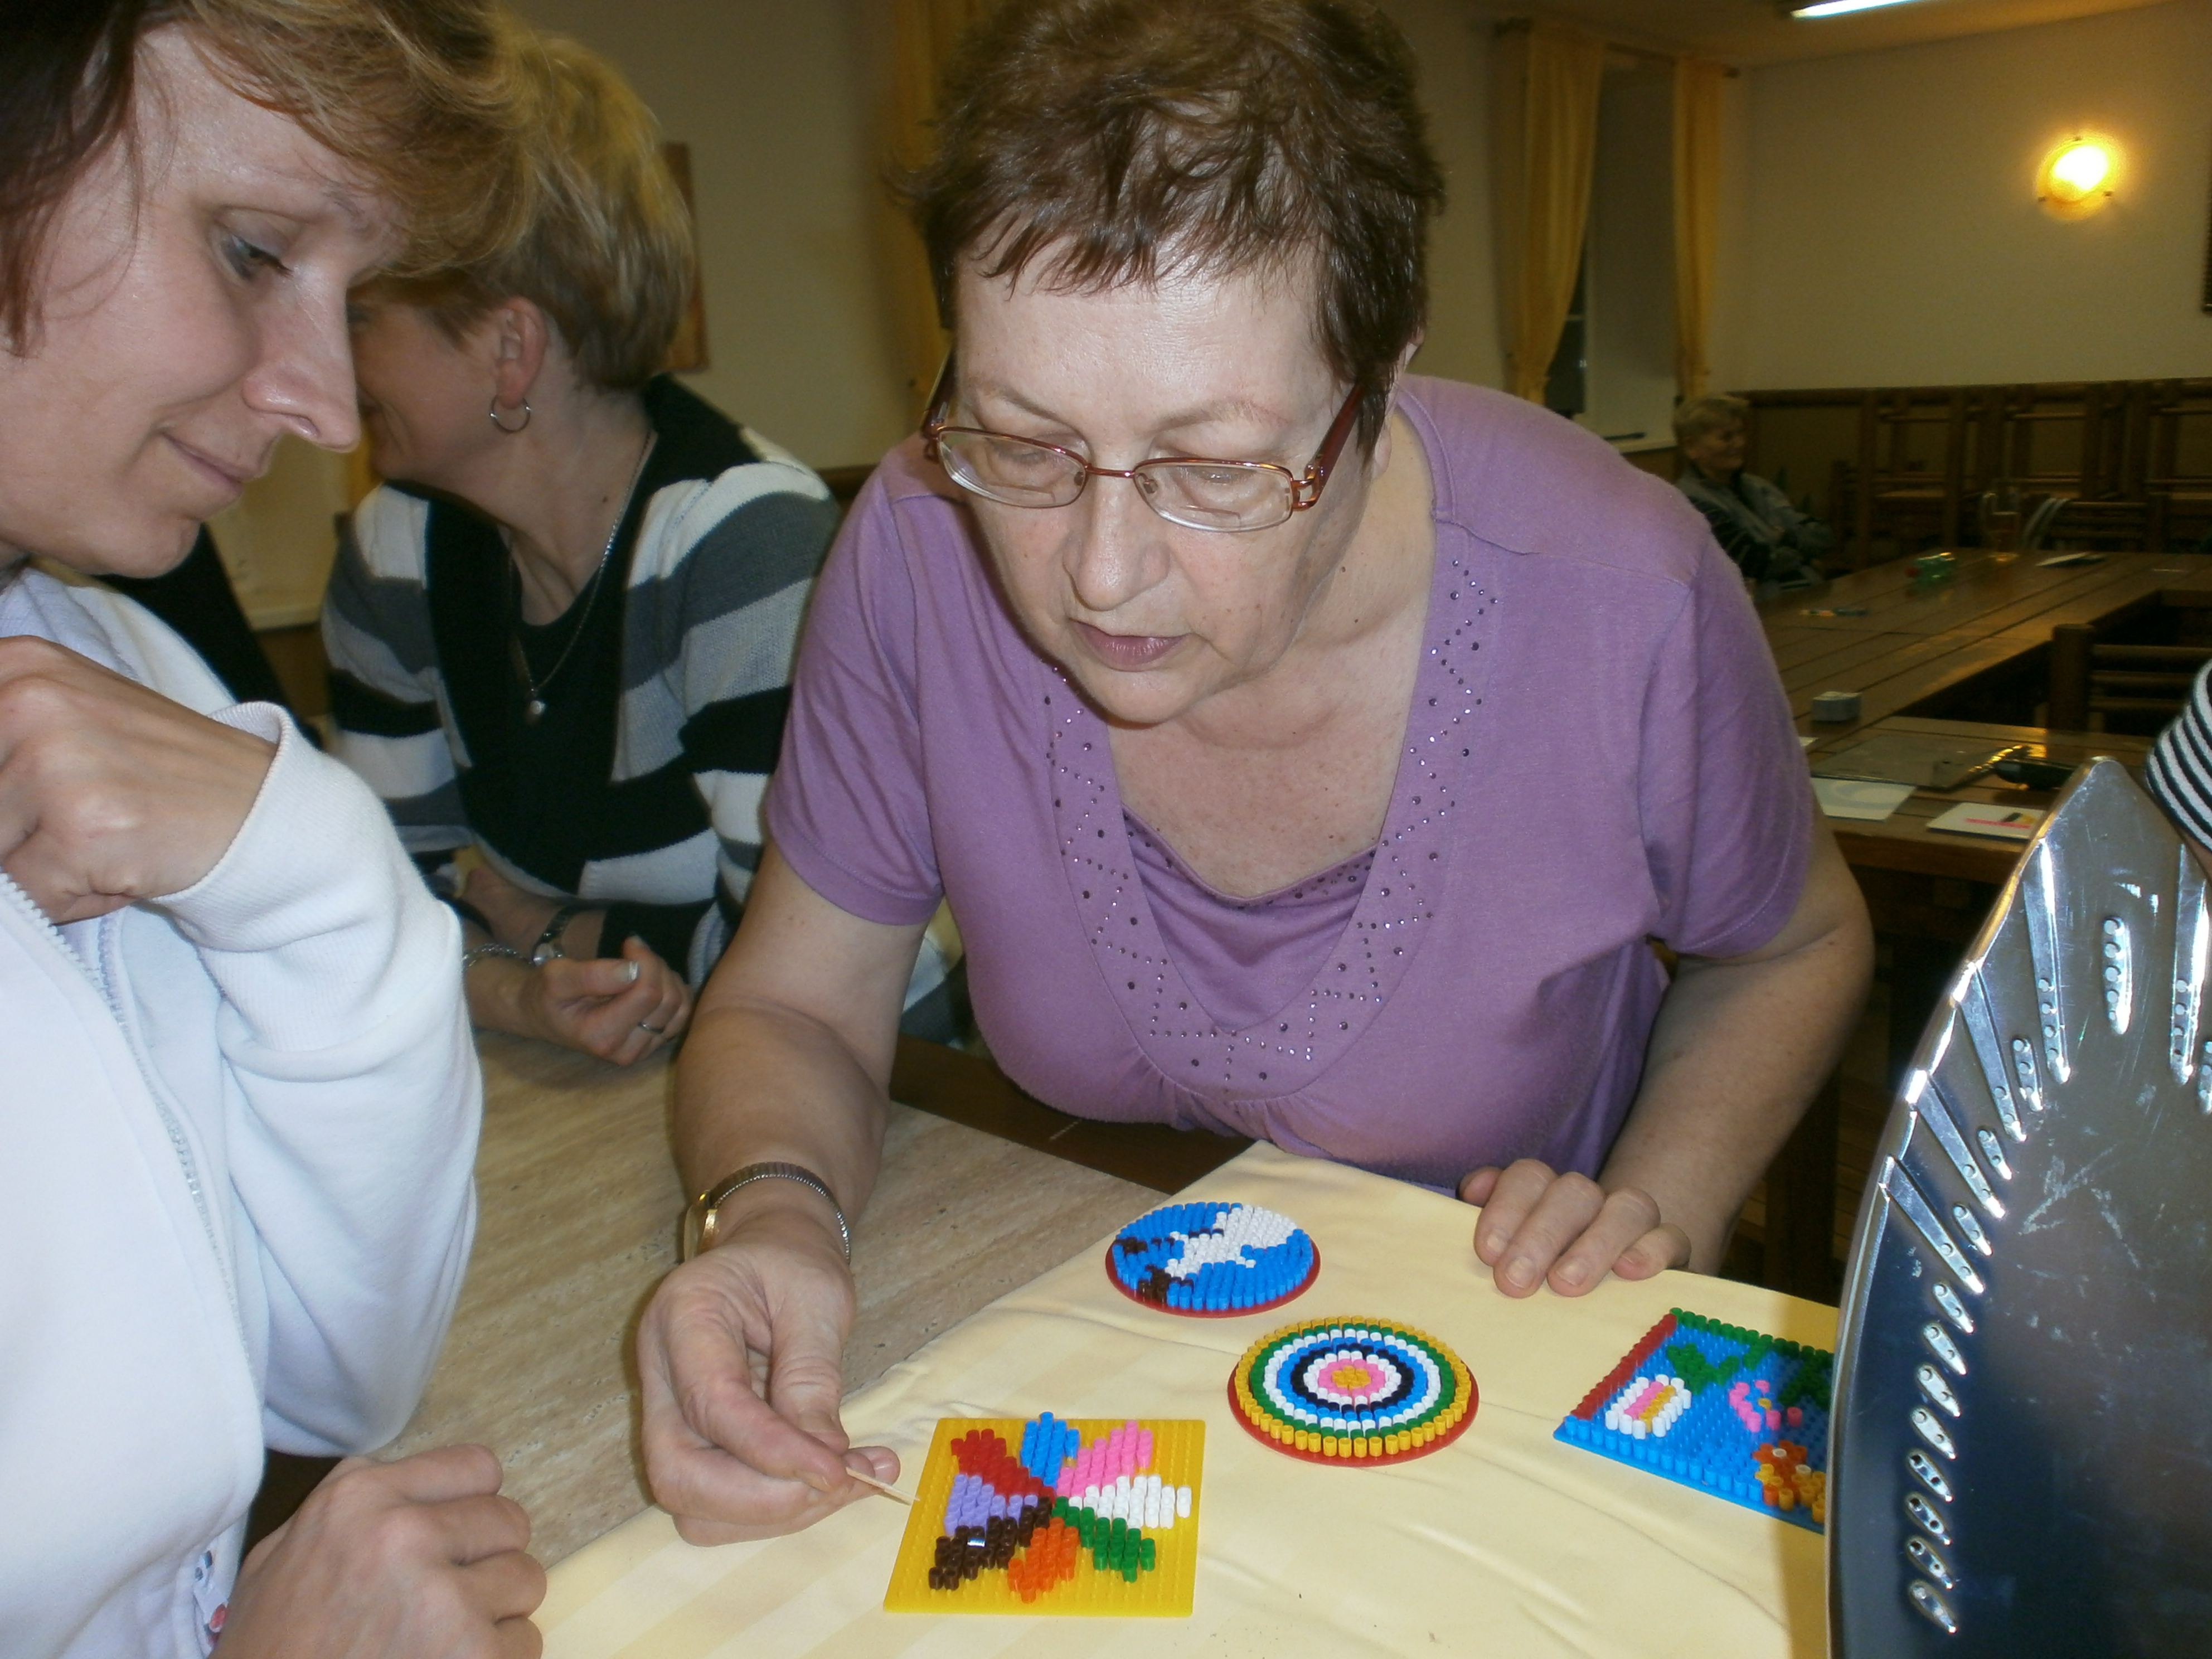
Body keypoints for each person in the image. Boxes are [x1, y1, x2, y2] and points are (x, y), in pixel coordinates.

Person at [633, 0, 1872, 1540]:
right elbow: (796, 999)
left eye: (1214, 468)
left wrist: (1651, 1202)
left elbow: (1794, 941)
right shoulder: (912, 542)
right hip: (1102, 1333)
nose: (1095, 575)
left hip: (1466, 1388)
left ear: (1386, 371)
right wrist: (771, 1215)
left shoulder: (1624, 593)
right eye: (1021, 440)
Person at [0, 2, 547, 1653]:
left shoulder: (123, 658)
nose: (324, 400)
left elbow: (333, 1368)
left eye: (349, 296)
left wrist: (310, 865)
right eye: (249, 249)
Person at [326, 35, 950, 1066]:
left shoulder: (746, 552)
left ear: (509, 350)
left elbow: (807, 985)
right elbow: (378, 912)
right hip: (594, 1076)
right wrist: (518, 989)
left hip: (893, 1092)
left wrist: (525, 920)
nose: (320, 360)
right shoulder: (394, 551)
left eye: (358, 315)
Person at [1672, 394, 1833, 590]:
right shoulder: (1690, 502)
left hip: (1808, 594)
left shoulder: (1758, 486)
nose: (1740, 444)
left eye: (1741, 433)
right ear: (1691, 447)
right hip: (1763, 608)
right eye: (1726, 437)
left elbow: (1823, 537)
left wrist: (1786, 539)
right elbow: (1754, 563)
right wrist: (1805, 557)